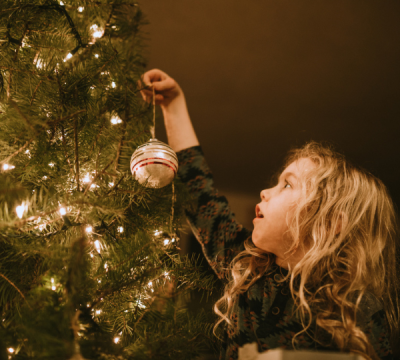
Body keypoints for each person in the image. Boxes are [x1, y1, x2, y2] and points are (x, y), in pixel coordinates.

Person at [138, 69, 399, 360]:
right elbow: (200, 195)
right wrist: (173, 105)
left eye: (287, 184)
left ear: (328, 224)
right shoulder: (245, 266)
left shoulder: (354, 308)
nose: (265, 191)